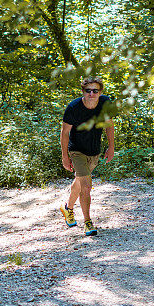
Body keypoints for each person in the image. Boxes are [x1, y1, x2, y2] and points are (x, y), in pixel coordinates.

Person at [59, 76, 115, 236]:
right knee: (86, 186)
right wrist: (65, 156)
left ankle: (67, 208)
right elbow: (65, 133)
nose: (91, 94)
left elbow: (109, 126)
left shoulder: (105, 103)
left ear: (100, 92)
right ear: (82, 91)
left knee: (80, 181)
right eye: (88, 90)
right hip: (76, 150)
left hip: (94, 150)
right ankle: (88, 222)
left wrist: (111, 147)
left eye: (95, 90)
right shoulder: (74, 107)